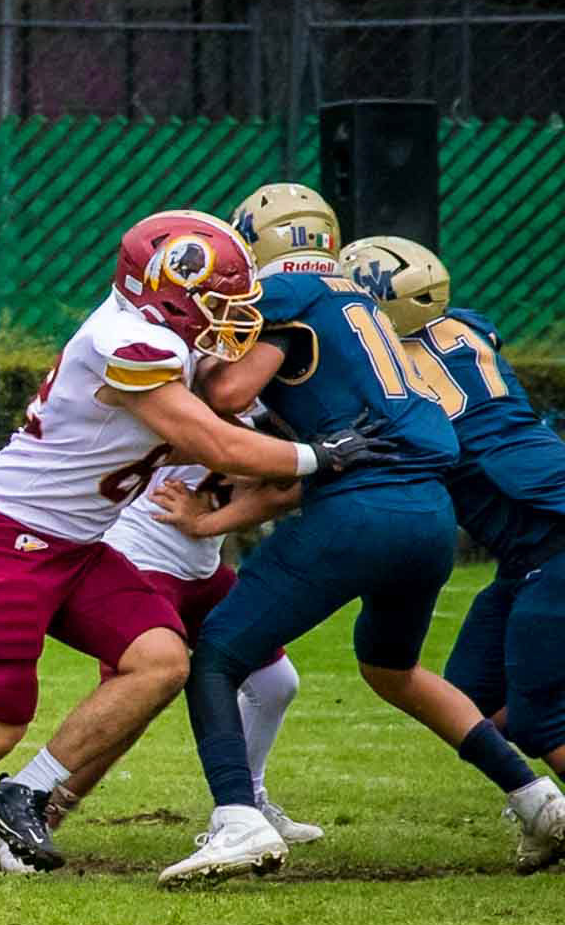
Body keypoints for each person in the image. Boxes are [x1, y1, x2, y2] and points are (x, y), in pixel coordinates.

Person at [0, 209, 397, 878]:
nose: (228, 318)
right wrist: (317, 456)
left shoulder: (154, 334)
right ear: (165, 293)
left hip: (74, 546)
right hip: (8, 542)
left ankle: (25, 793)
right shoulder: (130, 342)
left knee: (162, 661)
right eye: (215, 302)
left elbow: (208, 423)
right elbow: (210, 442)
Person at [160, 182, 540, 887]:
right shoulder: (357, 296)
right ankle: (534, 797)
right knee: (393, 669)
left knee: (216, 653)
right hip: (431, 514)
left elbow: (230, 395)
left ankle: (238, 818)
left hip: (361, 509)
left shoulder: (285, 292)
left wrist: (198, 366)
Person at [340, 234, 565, 876]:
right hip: (538, 548)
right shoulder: (464, 329)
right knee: (473, 697)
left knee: (540, 719)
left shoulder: (393, 379)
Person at [0, 454, 316, 874]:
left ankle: (247, 807)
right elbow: (234, 451)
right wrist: (299, 460)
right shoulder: (224, 411)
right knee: (132, 704)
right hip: (142, 558)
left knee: (275, 683)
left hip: (200, 567)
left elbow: (277, 483)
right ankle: (33, 815)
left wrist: (219, 513)